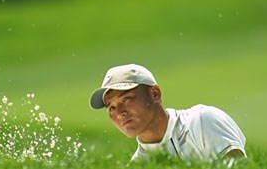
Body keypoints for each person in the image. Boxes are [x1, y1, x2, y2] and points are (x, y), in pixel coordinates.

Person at [89, 63, 246, 162]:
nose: (120, 113)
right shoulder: (137, 167)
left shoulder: (202, 121)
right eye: (112, 108)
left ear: (155, 94)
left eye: (127, 99)